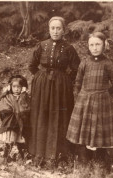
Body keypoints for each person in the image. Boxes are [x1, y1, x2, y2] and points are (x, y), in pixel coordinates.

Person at [28, 16, 80, 167]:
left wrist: (64, 79)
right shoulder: (41, 45)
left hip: (61, 88)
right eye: (53, 28)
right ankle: (39, 154)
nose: (55, 31)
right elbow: (32, 65)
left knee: (60, 116)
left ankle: (60, 154)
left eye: (58, 28)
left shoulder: (69, 49)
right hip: (42, 88)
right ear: (49, 29)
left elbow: (77, 69)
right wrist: (40, 78)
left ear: (64, 30)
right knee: (42, 116)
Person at [66, 32, 113, 169]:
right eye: (91, 45)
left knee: (99, 130)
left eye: (98, 44)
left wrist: (106, 95)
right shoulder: (84, 62)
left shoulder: (109, 64)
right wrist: (78, 97)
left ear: (104, 45)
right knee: (83, 130)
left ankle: (100, 162)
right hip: (84, 100)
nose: (94, 47)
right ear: (88, 46)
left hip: (102, 101)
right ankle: (83, 161)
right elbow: (78, 82)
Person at [0, 75, 30, 163]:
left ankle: (23, 156)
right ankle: (6, 157)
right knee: (10, 140)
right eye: (14, 87)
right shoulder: (6, 97)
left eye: (19, 87)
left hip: (21, 122)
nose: (16, 89)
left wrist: (23, 95)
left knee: (21, 140)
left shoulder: (25, 97)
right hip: (11, 123)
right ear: (10, 87)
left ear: (22, 88)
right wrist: (11, 113)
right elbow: (3, 110)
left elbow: (26, 108)